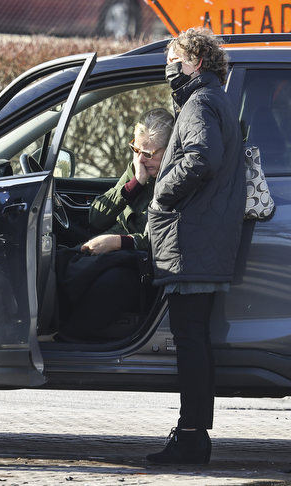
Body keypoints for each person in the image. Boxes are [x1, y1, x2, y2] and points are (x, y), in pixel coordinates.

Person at [146, 28, 245, 465]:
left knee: (190, 341)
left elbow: (201, 157)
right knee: (194, 340)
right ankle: (192, 436)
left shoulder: (199, 102)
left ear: (197, 62)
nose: (169, 67)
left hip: (192, 240)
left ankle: (190, 439)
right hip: (201, 239)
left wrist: (161, 191)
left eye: (175, 59)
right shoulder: (211, 98)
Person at [57, 108, 173, 341]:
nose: (140, 158)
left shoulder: (173, 179)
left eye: (149, 153)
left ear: (170, 150)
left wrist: (117, 243)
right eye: (136, 150)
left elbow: (156, 241)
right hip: (115, 250)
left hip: (140, 262)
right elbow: (96, 217)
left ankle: (71, 340)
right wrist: (135, 183)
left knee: (109, 284)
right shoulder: (139, 168)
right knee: (57, 261)